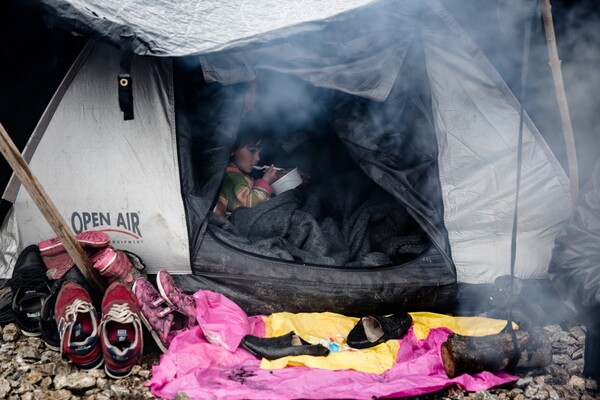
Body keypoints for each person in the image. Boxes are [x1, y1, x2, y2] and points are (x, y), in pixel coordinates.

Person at [214, 132, 282, 217]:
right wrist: (265, 182)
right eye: (252, 151)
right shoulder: (231, 178)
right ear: (233, 150)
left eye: (259, 153)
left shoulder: (239, 174)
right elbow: (250, 205)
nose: (258, 158)